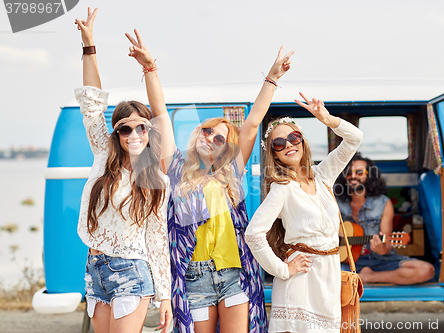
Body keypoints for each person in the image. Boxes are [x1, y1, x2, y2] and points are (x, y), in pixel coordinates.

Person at [167, 48, 294, 333]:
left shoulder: (231, 173)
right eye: (207, 130)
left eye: (220, 137)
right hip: (195, 276)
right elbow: (161, 117)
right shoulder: (176, 168)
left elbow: (251, 124)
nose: (211, 138)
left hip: (233, 273)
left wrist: (272, 79)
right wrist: (151, 71)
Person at [75, 8, 172, 333]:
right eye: (125, 129)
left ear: (149, 132)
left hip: (132, 269)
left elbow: (157, 238)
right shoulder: (104, 154)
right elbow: (92, 106)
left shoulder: (154, 175)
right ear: (116, 133)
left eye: (141, 128)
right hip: (96, 267)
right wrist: (89, 45)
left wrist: (166, 297)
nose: (134, 135)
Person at [245, 95, 363, 333]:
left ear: (302, 141)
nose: (288, 144)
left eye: (293, 137)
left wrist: (327, 119)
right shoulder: (282, 188)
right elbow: (253, 234)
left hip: (329, 276)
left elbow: (354, 139)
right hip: (300, 281)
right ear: (274, 154)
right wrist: (282, 269)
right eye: (279, 143)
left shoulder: (323, 174)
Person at [334, 153, 435, 284]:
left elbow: (386, 247)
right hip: (347, 261)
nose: (353, 176)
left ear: (369, 176)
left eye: (359, 172)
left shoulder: (383, 203)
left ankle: (367, 277)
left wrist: (382, 249)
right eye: (349, 173)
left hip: (381, 261)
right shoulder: (335, 203)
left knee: (426, 270)